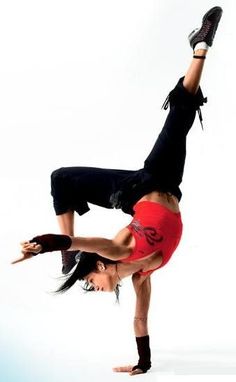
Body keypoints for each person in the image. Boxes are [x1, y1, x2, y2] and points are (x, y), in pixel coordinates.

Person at [12, 6, 223, 376]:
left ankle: (201, 46)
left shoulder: (117, 251)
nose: (92, 288)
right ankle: (200, 46)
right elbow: (140, 321)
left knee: (62, 178)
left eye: (89, 283)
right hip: (167, 183)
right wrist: (144, 364)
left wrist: (43, 245)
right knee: (180, 118)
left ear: (100, 266)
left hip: (135, 189)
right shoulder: (141, 277)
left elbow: (81, 244)